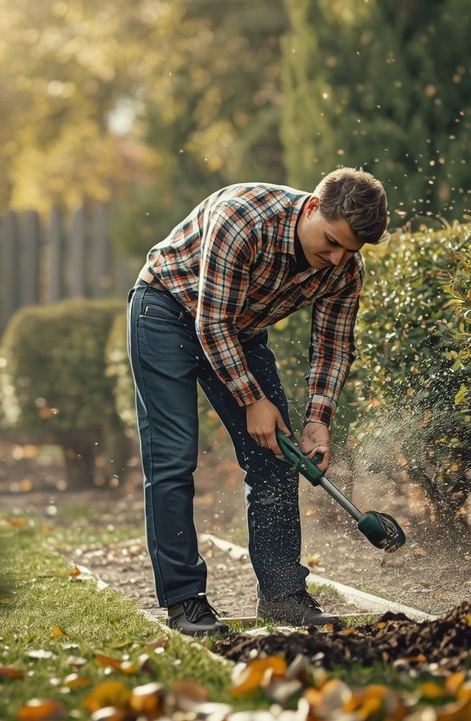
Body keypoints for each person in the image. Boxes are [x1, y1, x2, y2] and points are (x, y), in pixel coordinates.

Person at [127, 168, 389, 635]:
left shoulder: (345, 268)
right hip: (166, 309)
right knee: (173, 458)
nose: (335, 258)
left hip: (239, 330)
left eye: (350, 250)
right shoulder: (243, 218)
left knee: (276, 459)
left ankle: (283, 595)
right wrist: (252, 398)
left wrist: (318, 419)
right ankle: (185, 601)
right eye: (330, 242)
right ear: (312, 207)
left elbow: (332, 347)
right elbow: (211, 323)